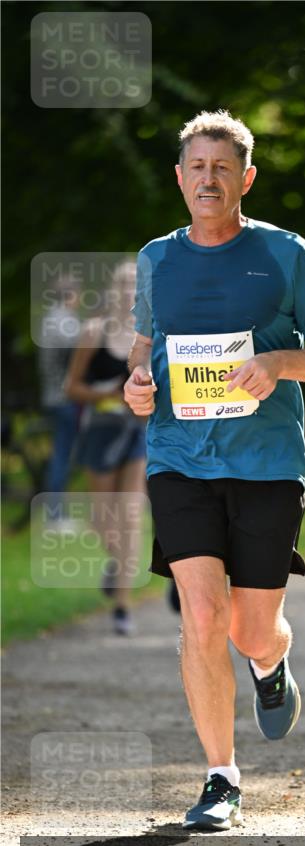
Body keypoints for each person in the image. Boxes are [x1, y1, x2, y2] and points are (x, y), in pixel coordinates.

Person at [123, 109, 305, 831]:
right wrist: (136, 382)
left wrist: (279, 362)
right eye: (196, 166)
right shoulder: (156, 258)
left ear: (245, 178)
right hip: (178, 457)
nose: (208, 179)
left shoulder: (284, 254)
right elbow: (141, 344)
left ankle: (271, 660)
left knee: (251, 630)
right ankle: (221, 778)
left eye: (222, 167)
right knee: (200, 615)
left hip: (266, 462)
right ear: (179, 177)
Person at [65, 260, 147, 637]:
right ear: (113, 289)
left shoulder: (148, 335)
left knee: (130, 516)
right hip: (100, 429)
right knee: (102, 517)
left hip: (136, 431)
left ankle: (123, 606)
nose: (129, 290)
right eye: (124, 283)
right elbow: (72, 387)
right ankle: (118, 562)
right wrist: (106, 395)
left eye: (136, 283)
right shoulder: (94, 331)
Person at [38, 274, 82, 517]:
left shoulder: (50, 318)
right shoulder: (64, 321)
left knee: (61, 454)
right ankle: (56, 515)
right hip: (64, 398)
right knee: (63, 456)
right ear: (71, 295)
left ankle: (55, 512)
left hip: (52, 396)